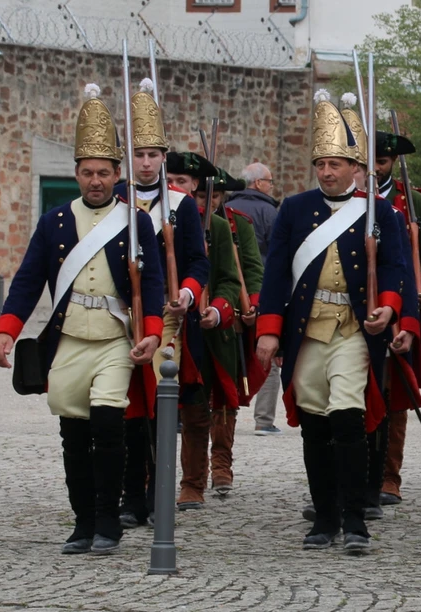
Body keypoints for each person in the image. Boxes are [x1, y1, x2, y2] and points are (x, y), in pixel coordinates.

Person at [0, 83, 164, 555]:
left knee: (110, 427)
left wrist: (151, 334)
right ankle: (83, 522)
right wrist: (7, 331)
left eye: (104, 173)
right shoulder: (54, 222)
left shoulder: (136, 222)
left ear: (116, 175)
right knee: (73, 433)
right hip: (68, 339)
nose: (95, 181)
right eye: (87, 172)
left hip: (112, 338)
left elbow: (151, 288)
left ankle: (109, 520)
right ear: (76, 173)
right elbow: (27, 282)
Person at [254, 89, 411, 553]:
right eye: (320, 163)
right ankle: (324, 517)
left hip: (352, 328)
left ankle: (354, 518)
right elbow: (277, 271)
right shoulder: (295, 209)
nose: (326, 171)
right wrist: (268, 329)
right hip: (308, 330)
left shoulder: (379, 212)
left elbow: (397, 267)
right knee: (316, 423)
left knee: (348, 416)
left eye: (335, 164)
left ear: (355, 168)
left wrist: (388, 307)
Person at [114, 79, 211, 530]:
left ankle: (156, 495)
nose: (148, 162)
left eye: (155, 155)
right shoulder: (113, 199)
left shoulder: (182, 205)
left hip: (166, 321)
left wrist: (187, 294)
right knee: (126, 410)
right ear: (128, 156)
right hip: (118, 317)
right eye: (140, 154)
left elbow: (197, 262)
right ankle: (129, 493)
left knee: (159, 410)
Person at [367, 130, 421, 511]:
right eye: (371, 160)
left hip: (401, 306)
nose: (375, 168)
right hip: (358, 304)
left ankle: (389, 478)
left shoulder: (412, 202)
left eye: (381, 161)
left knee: (394, 396)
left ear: (392, 163)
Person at [166, 152, 242, 512]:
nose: (174, 186)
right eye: (171, 179)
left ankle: (192, 485)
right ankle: (146, 482)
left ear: (195, 186)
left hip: (200, 333)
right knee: (150, 409)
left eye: (181, 181)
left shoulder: (218, 226)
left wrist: (217, 310)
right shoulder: (142, 217)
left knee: (197, 411)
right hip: (159, 327)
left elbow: (228, 279)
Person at [199, 166, 266, 500]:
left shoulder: (238, 225)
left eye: (212, 196)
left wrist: (253, 303)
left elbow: (252, 267)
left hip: (228, 323)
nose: (206, 201)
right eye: (199, 195)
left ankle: (221, 463)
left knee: (225, 395)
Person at [230, 162, 283, 436]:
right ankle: (264, 420)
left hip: (228, 293)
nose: (271, 186)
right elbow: (275, 256)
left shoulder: (228, 208)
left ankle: (224, 411)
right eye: (270, 182)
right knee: (268, 353)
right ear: (259, 183)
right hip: (260, 290)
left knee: (228, 350)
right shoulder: (269, 212)